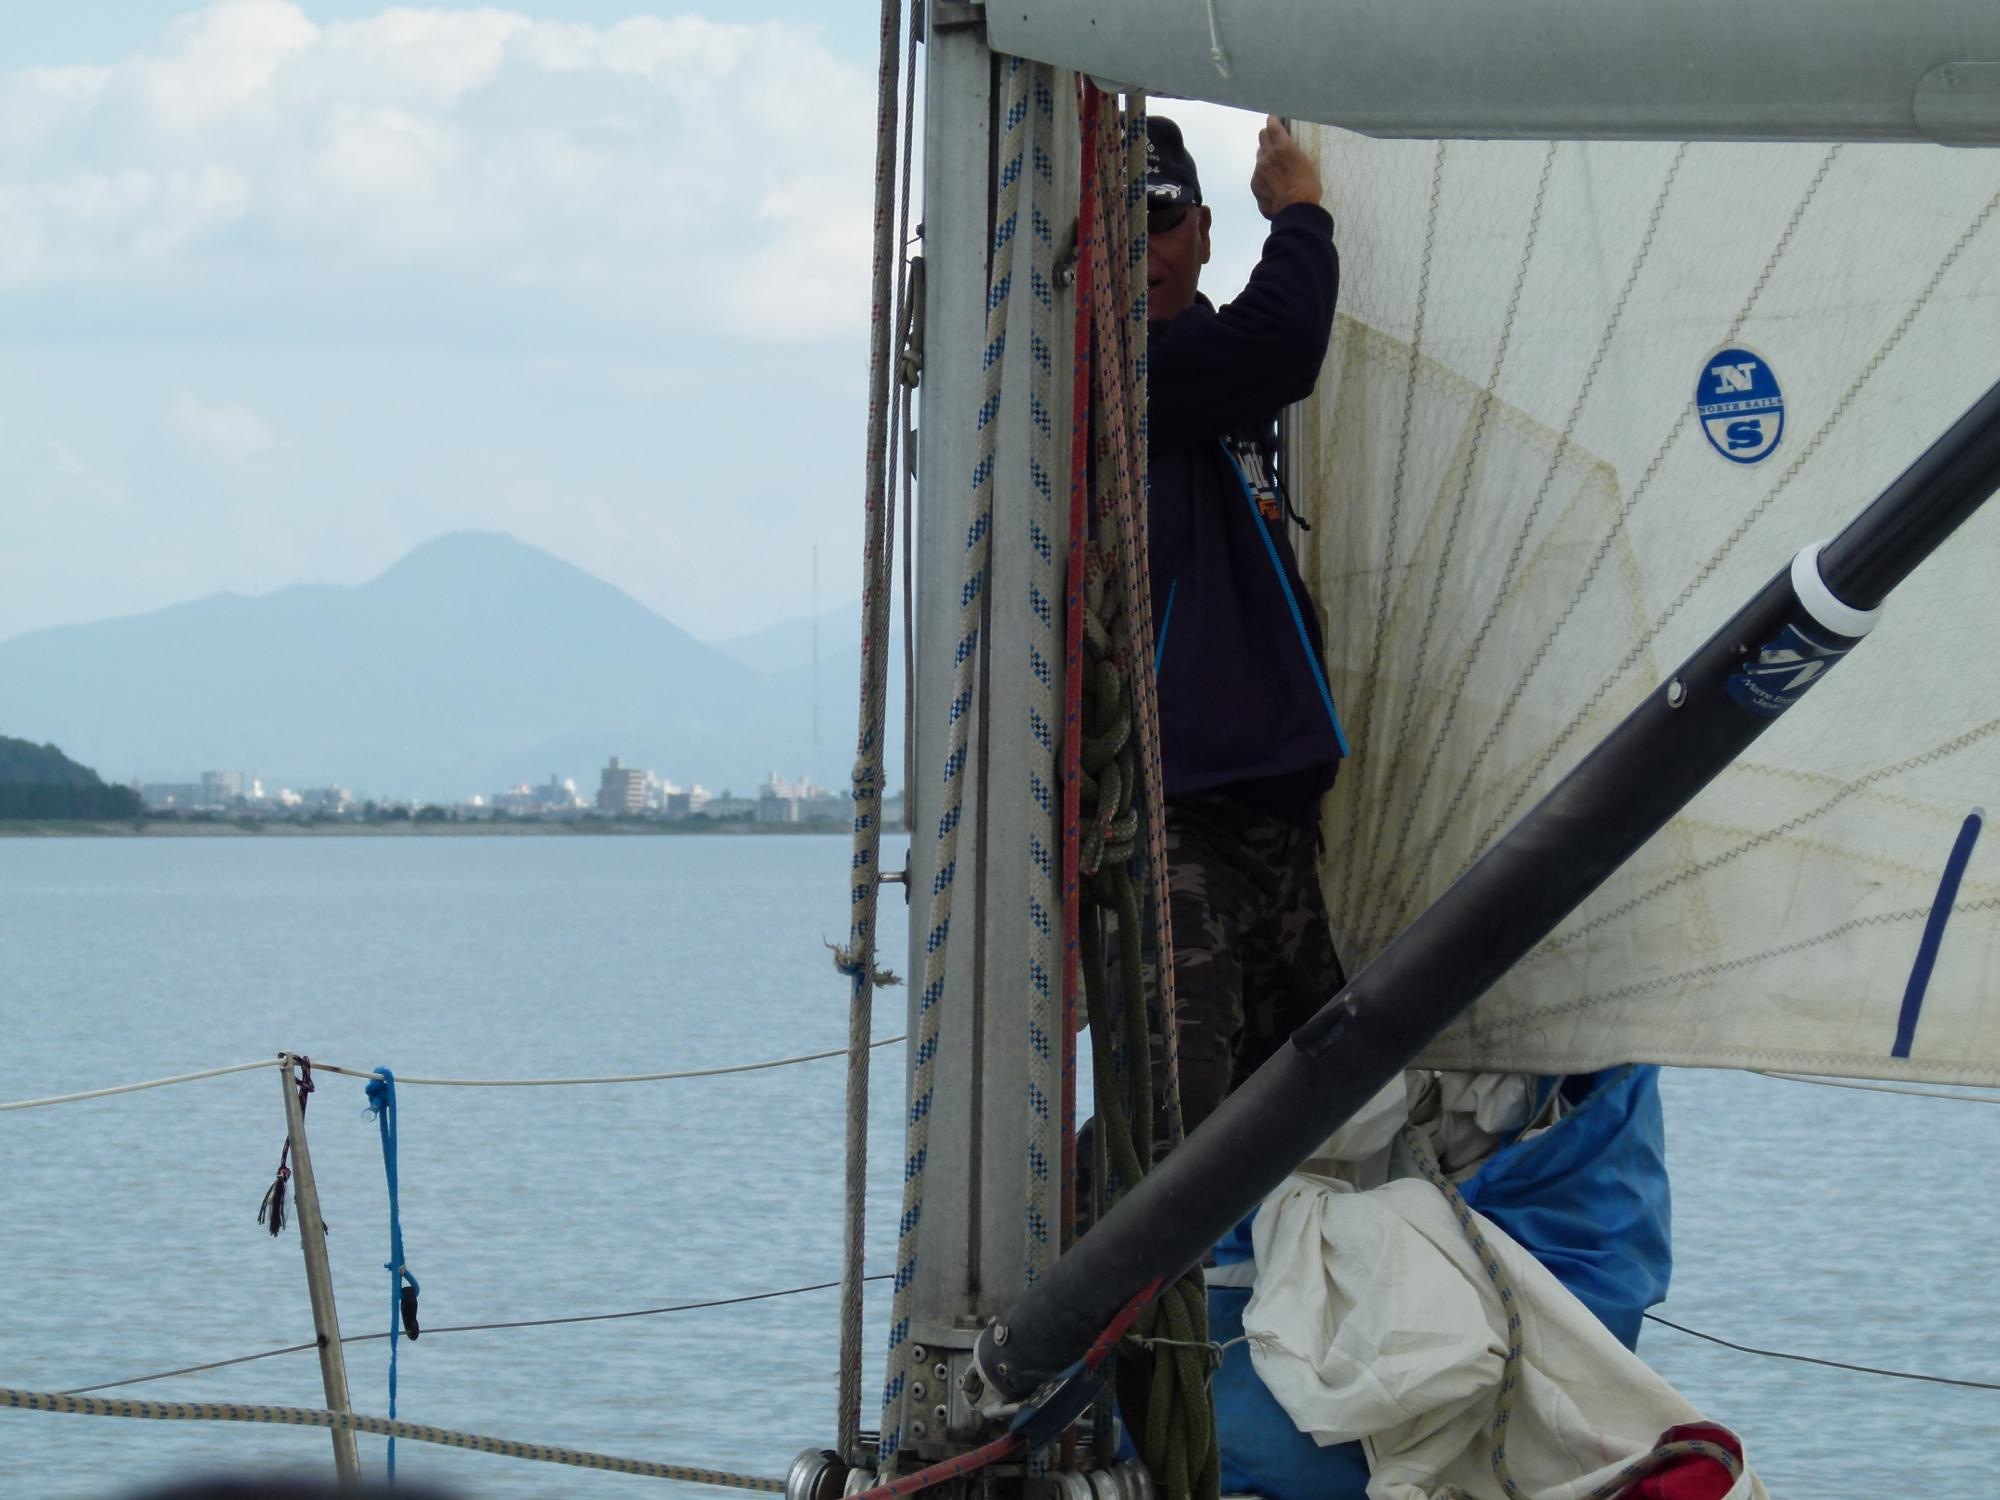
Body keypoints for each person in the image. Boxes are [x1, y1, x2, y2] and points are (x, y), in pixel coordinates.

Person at [1141, 114, 1348, 1147]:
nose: (1143, 250)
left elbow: (1260, 349)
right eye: (1116, 229)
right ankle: (1075, 1257)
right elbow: (1284, 341)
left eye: (1160, 219)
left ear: (1201, 229)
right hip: (1181, 817)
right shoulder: (1124, 372)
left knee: (1329, 1100)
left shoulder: (1213, 370)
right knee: (1181, 1127)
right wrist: (1301, 213)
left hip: (1277, 806)